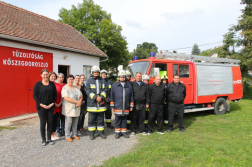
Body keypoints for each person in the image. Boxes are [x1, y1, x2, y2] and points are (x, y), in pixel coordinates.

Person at [33, 69, 57, 146]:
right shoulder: (37, 84)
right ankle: (43, 140)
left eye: (47, 74)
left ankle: (49, 139)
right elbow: (34, 96)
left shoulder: (52, 84)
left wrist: (52, 103)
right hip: (41, 107)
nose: (46, 76)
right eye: (44, 74)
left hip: (50, 107)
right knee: (43, 123)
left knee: (50, 123)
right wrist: (41, 104)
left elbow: (55, 95)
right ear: (41, 75)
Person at [86, 66, 108, 140]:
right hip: (92, 103)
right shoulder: (89, 81)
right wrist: (95, 97)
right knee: (91, 120)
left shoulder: (103, 80)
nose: (96, 73)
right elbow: (88, 91)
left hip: (101, 103)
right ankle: (92, 134)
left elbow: (106, 89)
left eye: (97, 72)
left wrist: (101, 97)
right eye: (95, 72)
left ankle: (100, 132)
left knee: (100, 120)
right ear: (93, 73)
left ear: (99, 73)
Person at [110, 70, 134, 139]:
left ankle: (124, 132)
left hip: (126, 106)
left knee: (124, 120)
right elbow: (112, 96)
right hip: (117, 106)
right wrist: (112, 105)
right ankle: (117, 133)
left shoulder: (129, 85)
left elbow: (131, 96)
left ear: (125, 77)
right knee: (117, 120)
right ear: (119, 77)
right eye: (121, 77)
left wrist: (131, 105)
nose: (122, 78)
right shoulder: (114, 85)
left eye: (123, 77)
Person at [61, 75, 83, 142]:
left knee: (75, 122)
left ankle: (74, 134)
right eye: (69, 79)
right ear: (67, 80)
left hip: (76, 108)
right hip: (69, 108)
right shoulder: (65, 88)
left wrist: (79, 102)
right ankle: (67, 136)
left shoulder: (76, 87)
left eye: (71, 79)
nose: (71, 80)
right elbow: (66, 98)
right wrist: (77, 102)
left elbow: (81, 95)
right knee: (68, 122)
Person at [48, 71, 60, 141]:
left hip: (58, 105)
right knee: (50, 121)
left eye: (54, 76)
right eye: (52, 76)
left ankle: (54, 133)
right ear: (49, 77)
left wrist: (60, 103)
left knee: (56, 120)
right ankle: (50, 135)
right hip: (51, 106)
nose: (53, 77)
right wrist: (54, 103)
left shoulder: (57, 85)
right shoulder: (48, 85)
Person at [55, 73, 66, 137]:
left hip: (64, 104)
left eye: (62, 77)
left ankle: (63, 130)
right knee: (58, 117)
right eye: (59, 77)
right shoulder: (55, 85)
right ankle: (57, 130)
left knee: (63, 117)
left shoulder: (65, 85)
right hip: (58, 104)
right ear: (57, 78)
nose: (61, 78)